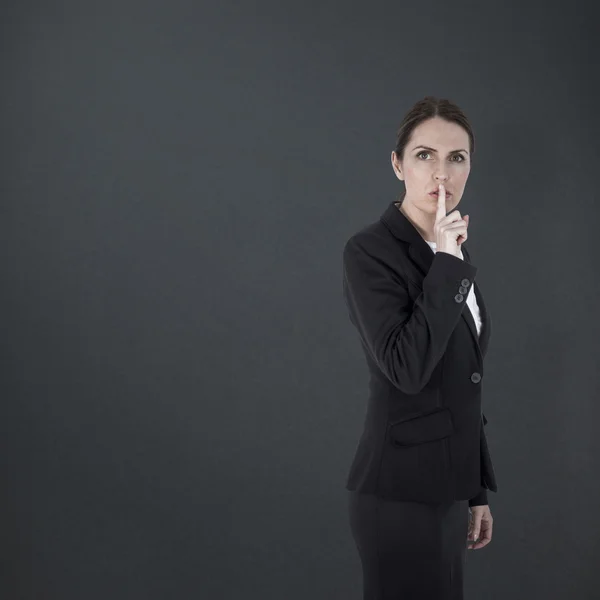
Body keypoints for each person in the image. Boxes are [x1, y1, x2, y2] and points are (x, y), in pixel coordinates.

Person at [342, 96, 498, 600]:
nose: (442, 173)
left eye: (457, 158)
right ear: (397, 164)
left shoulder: (452, 248)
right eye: (425, 155)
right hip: (399, 494)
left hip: (447, 490)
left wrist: (475, 491)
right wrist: (448, 265)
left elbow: (462, 381)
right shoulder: (370, 251)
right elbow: (406, 368)